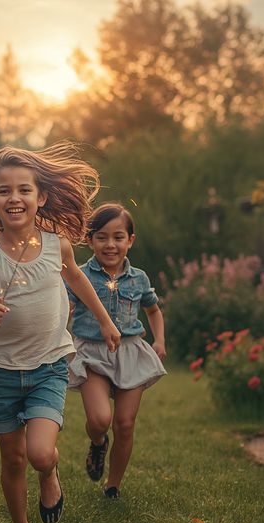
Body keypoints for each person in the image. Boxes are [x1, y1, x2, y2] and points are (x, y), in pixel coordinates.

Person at [0, 143, 122, 523]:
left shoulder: (56, 244)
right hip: (0, 370)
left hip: (48, 366)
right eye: (4, 191)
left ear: (40, 197)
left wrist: (104, 321)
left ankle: (50, 474)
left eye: (24, 190)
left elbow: (79, 281)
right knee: (12, 459)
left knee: (39, 453)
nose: (14, 198)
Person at [69, 203, 166, 499]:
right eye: (102, 237)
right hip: (92, 354)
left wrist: (159, 340)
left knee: (124, 423)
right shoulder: (79, 276)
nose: (110, 244)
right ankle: (98, 442)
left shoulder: (139, 278)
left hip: (129, 353)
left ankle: (113, 486)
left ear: (130, 240)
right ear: (89, 240)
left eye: (118, 237)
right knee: (100, 419)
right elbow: (67, 309)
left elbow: (153, 309)